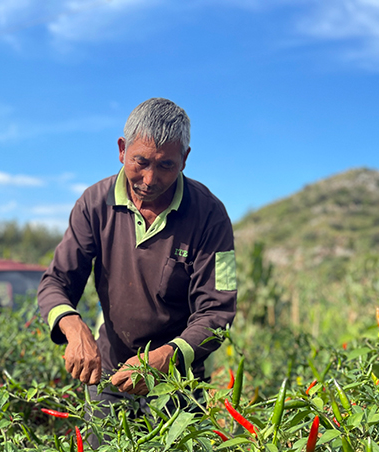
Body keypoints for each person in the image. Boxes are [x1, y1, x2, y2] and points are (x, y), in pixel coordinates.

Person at [37, 97, 237, 402]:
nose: (150, 179)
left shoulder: (210, 215)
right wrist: (73, 326)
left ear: (184, 159)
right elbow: (56, 282)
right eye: (140, 162)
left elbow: (217, 311)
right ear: (121, 150)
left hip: (175, 380)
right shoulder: (93, 204)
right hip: (109, 373)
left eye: (166, 166)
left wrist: (168, 356)